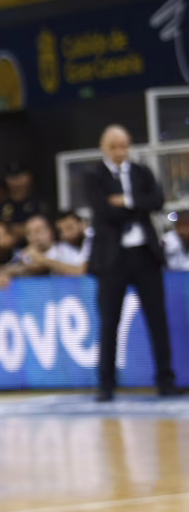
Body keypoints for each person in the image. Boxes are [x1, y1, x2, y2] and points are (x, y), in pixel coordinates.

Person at [83, 125, 178, 400]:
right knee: (109, 321)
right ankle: (106, 384)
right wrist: (135, 206)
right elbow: (102, 210)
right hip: (113, 258)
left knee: (157, 320)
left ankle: (165, 379)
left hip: (144, 255)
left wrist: (126, 201)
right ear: (104, 148)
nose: (119, 151)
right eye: (113, 146)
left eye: (123, 145)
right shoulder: (94, 176)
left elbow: (157, 200)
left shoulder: (141, 172)